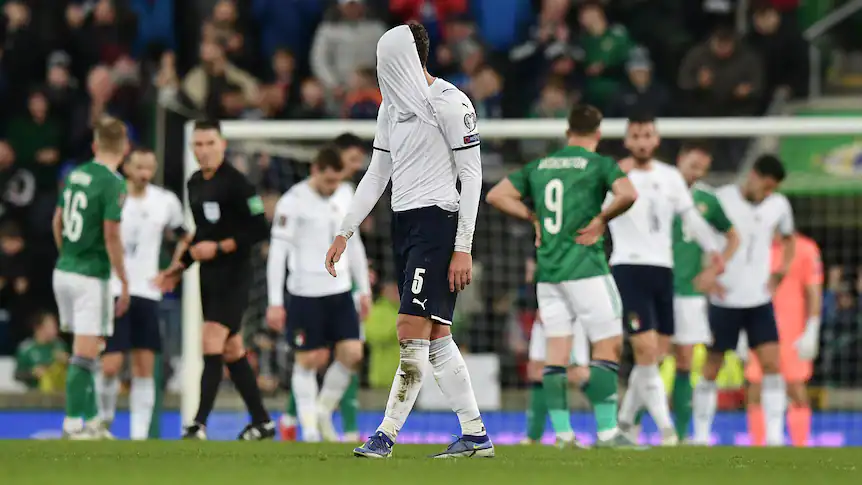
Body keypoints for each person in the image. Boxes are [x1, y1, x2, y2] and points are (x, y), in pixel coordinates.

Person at [325, 23, 490, 458]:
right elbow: (378, 173)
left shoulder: (452, 104)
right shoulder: (390, 109)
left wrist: (463, 246)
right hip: (405, 224)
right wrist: (345, 229)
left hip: (439, 223)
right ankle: (475, 435)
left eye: (387, 60)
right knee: (436, 338)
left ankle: (385, 435)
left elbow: (472, 177)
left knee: (409, 331)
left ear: (410, 59)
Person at [485, 104, 639, 447]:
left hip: (548, 272)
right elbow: (628, 194)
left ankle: (564, 435)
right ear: (598, 134)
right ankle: (608, 431)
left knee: (556, 349)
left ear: (568, 132)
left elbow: (496, 195)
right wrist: (601, 220)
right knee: (608, 344)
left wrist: (533, 218)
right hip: (585, 267)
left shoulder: (541, 166)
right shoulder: (600, 164)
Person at [155, 119, 275, 441]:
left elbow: (259, 229)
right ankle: (263, 422)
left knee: (210, 341)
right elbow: (200, 235)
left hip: (235, 275)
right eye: (198, 145)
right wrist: (177, 266)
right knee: (233, 350)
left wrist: (221, 247)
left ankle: (198, 424)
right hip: (208, 276)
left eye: (209, 144)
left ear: (222, 144)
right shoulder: (194, 182)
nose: (203, 151)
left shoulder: (239, 184)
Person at [610, 114, 724, 446]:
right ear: (628, 141)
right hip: (629, 268)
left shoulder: (670, 177)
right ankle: (667, 430)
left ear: (655, 140)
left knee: (655, 354)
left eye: (647, 135)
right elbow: (598, 216)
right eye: (636, 136)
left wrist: (713, 250)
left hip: (663, 270)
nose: (642, 141)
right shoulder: (615, 174)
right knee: (645, 350)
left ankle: (626, 424)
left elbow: (690, 216)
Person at [266, 147, 371, 442]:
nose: (332, 188)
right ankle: (310, 430)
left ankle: (323, 411)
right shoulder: (292, 201)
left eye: (336, 182)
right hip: (305, 292)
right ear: (315, 171)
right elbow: (278, 253)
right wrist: (275, 302)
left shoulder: (346, 193)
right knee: (308, 360)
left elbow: (356, 243)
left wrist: (363, 289)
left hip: (339, 290)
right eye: (327, 182)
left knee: (352, 353)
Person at [692, 154, 796, 446]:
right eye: (765, 187)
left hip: (759, 300)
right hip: (725, 298)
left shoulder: (779, 205)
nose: (767, 194)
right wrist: (708, 273)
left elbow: (789, 239)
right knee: (711, 367)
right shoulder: (721, 199)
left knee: (772, 364)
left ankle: (775, 436)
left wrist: (781, 272)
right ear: (752, 175)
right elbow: (701, 237)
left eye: (771, 189)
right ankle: (700, 436)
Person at [97, 149, 185, 440]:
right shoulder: (112, 195)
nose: (145, 172)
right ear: (127, 167)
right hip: (113, 289)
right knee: (110, 365)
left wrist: (174, 267)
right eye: (139, 166)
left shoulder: (165, 201)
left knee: (144, 367)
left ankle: (139, 437)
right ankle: (104, 424)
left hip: (148, 292)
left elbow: (185, 233)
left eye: (150, 167)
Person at [52, 116, 130, 439]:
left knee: (89, 347)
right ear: (124, 149)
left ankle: (94, 420)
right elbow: (111, 236)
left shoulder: (75, 174)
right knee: (84, 353)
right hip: (90, 277)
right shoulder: (113, 182)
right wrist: (123, 281)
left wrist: (67, 256)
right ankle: (73, 424)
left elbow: (56, 221)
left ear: (95, 145)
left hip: (64, 271)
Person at [668, 141, 739, 441]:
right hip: (654, 284)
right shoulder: (657, 188)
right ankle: (631, 425)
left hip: (688, 291)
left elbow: (733, 237)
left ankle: (681, 435)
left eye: (702, 169)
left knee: (684, 361)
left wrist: (712, 271)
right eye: (693, 165)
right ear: (680, 159)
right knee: (649, 355)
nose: (696, 173)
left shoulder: (707, 199)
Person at [743, 231, 822, 447]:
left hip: (793, 332)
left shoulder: (806, 248)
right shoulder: (753, 246)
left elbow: (814, 291)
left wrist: (812, 328)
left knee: (796, 388)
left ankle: (800, 447)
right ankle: (758, 449)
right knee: (756, 388)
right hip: (757, 327)